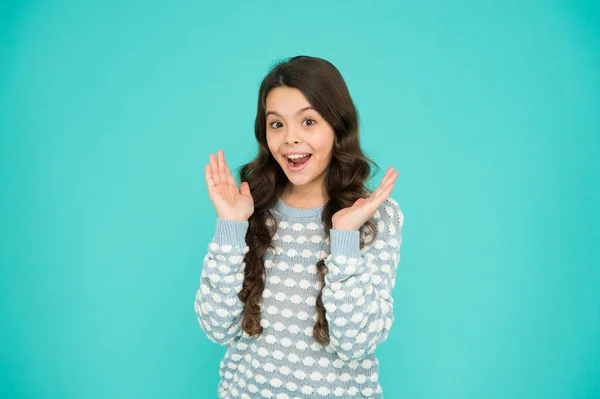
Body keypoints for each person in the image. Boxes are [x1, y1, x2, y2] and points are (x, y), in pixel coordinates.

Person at [195, 55, 404, 399]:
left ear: (337, 127)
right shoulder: (250, 209)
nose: (290, 138)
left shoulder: (374, 216)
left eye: (308, 121)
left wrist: (345, 238)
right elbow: (218, 329)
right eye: (276, 124)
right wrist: (231, 227)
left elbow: (356, 342)